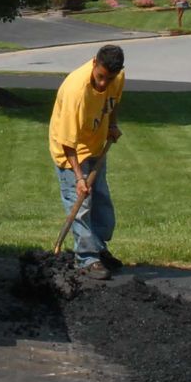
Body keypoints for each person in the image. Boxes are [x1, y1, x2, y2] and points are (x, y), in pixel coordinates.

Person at [49, 43, 126, 280]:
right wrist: (79, 177)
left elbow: (112, 102)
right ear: (94, 63)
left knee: (101, 200)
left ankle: (98, 248)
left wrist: (112, 125)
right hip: (69, 152)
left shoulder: (117, 77)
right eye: (101, 76)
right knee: (80, 205)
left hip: (95, 146)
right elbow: (67, 143)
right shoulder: (76, 91)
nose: (104, 83)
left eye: (109, 78)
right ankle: (86, 258)